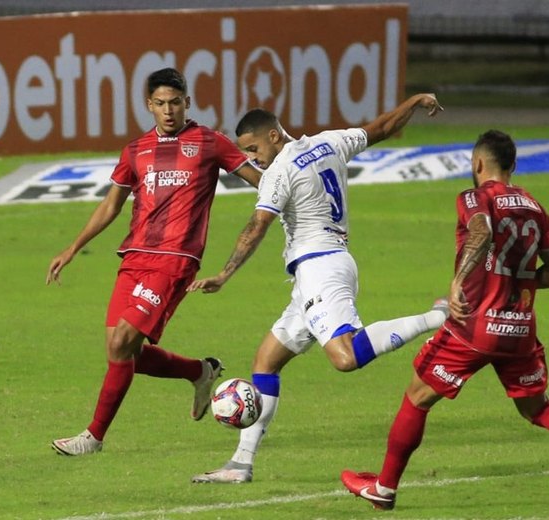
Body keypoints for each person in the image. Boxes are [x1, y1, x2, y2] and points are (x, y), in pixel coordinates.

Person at [340, 130, 549, 510]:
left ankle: (384, 488)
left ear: (478, 164)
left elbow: (481, 231)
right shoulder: (534, 205)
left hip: (474, 328)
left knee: (417, 398)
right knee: (536, 407)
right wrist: (517, 283)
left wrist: (459, 283)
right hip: (520, 330)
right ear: (513, 166)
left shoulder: (474, 197)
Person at [186, 93, 446, 483]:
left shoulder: (279, 171)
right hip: (324, 267)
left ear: (274, 135)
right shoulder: (330, 141)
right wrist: (414, 101)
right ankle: (240, 464)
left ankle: (438, 316)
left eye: (254, 149)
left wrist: (224, 274)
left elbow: (256, 227)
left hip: (319, 271)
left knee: (344, 357)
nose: (253, 159)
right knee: (266, 361)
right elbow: (382, 129)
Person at [46, 67, 262, 456]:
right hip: (135, 256)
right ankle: (200, 371)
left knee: (126, 340)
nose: (168, 111)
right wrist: (73, 247)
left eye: (175, 103)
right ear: (149, 105)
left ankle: (93, 437)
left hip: (176, 259)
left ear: (188, 103)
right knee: (120, 349)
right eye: (160, 104)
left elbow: (260, 179)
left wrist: (295, 192)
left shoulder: (209, 142)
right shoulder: (135, 150)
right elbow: (111, 204)